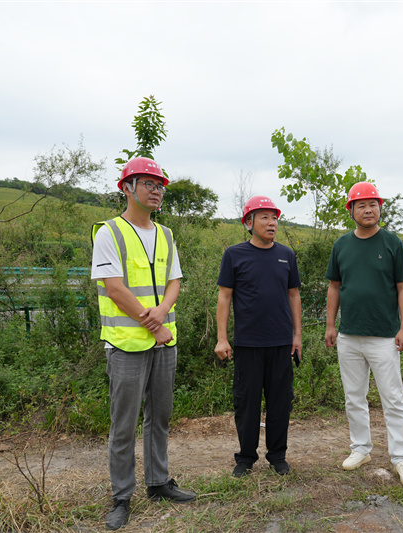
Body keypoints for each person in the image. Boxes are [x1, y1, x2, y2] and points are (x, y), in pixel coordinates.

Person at [91, 157, 196, 531]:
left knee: (160, 417)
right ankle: (121, 496)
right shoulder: (109, 232)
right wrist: (154, 325)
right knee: (123, 424)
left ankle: (158, 482)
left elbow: (174, 282)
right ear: (127, 188)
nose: (156, 191)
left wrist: (163, 312)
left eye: (160, 185)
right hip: (125, 344)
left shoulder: (166, 234)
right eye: (148, 183)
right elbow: (114, 289)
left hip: (164, 343)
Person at [324, 182, 403, 488]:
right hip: (349, 335)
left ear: (380, 208)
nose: (368, 210)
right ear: (351, 211)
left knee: (393, 399)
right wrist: (330, 325)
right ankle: (361, 449)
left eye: (373, 204)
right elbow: (334, 287)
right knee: (354, 397)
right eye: (361, 205)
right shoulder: (341, 245)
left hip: (384, 336)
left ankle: (402, 459)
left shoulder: (392, 243)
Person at [214, 195, 302, 478]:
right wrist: (222, 338)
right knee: (247, 403)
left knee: (280, 403)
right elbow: (224, 297)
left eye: (274, 217)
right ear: (249, 222)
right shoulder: (234, 255)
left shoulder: (287, 255)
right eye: (264, 217)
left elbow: (293, 295)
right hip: (248, 343)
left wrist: (297, 335)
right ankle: (246, 458)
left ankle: (277, 456)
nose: (271, 223)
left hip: (281, 342)